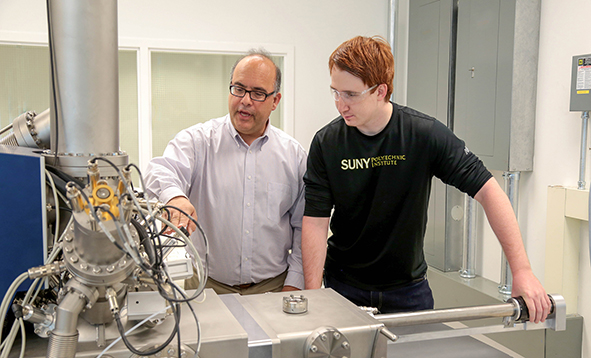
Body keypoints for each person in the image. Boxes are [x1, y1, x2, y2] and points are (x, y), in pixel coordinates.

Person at [302, 35, 551, 322]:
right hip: (344, 288)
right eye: (335, 92)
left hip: (408, 292)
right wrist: (313, 296)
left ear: (380, 91)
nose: (340, 104)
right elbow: (316, 221)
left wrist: (522, 272)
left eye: (350, 94)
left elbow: (489, 192)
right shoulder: (327, 143)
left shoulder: (423, 135)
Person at [145, 50, 306, 295]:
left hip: (272, 288)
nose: (245, 100)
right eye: (238, 89)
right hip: (206, 287)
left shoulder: (293, 156)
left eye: (258, 93)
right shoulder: (198, 141)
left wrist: (294, 282)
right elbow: (160, 169)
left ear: (275, 100)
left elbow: (303, 227)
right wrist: (174, 197)